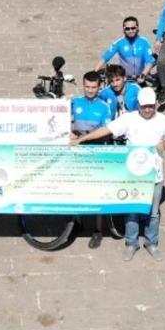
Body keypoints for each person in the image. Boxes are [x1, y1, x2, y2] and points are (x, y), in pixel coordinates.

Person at [72, 88, 165, 261]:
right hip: (134, 175)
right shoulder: (129, 119)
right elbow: (106, 130)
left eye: (151, 106)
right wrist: (81, 140)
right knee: (132, 211)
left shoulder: (164, 120)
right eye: (144, 106)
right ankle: (131, 243)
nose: (148, 110)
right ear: (138, 105)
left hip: (155, 175)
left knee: (154, 213)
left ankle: (151, 243)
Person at [70, 70, 116, 248]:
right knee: (76, 189)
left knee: (97, 193)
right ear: (83, 85)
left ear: (99, 87)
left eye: (93, 87)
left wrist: (84, 136)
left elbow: (105, 132)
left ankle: (97, 230)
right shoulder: (75, 103)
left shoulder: (104, 107)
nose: (90, 90)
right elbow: (66, 122)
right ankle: (77, 222)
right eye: (87, 87)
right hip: (77, 152)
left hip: (97, 153)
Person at [97, 16, 154, 81]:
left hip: (141, 77)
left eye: (133, 28)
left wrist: (143, 74)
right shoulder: (119, 42)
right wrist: (94, 72)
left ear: (137, 28)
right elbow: (105, 58)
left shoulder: (144, 42)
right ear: (124, 29)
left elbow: (149, 62)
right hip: (124, 78)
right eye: (127, 29)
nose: (130, 31)